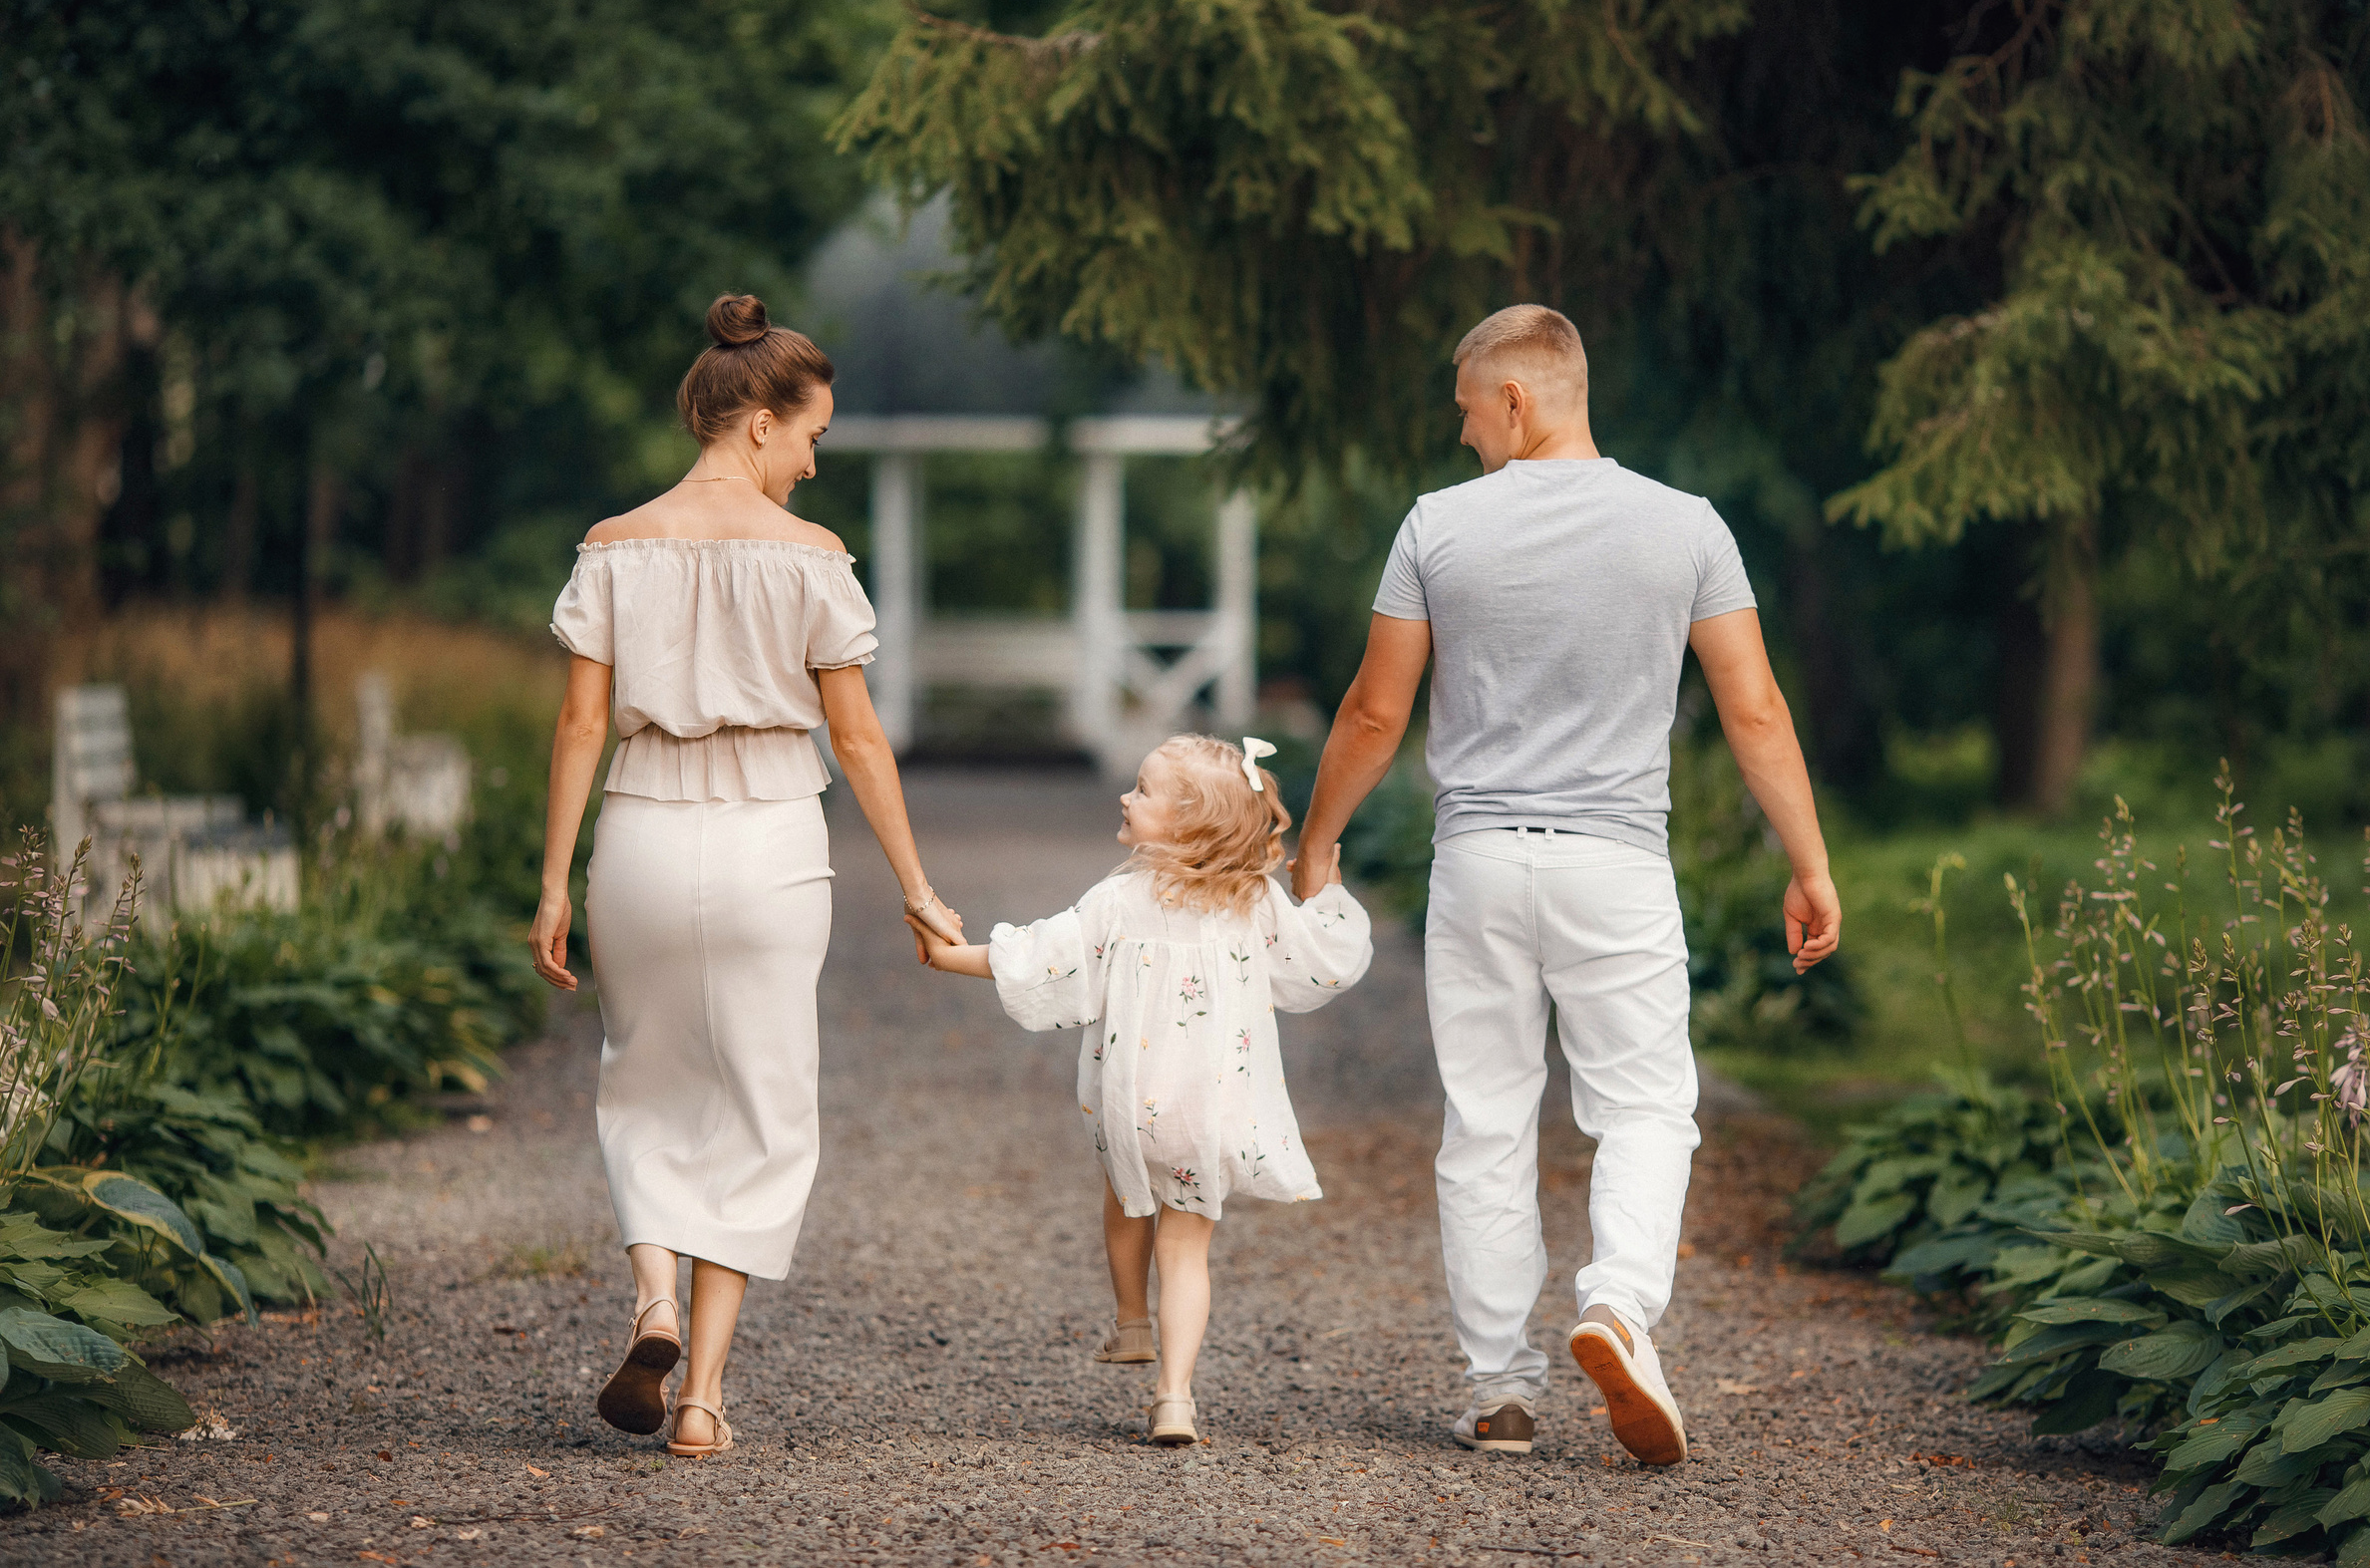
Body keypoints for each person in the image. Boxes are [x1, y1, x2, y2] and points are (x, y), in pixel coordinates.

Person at [1291, 304, 1843, 1467]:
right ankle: (1618, 1307)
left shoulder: (1437, 528)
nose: (1460, 439)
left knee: (1487, 1119)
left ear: (1516, 401)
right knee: (1645, 1106)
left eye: (1464, 414)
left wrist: (1318, 840)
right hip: (1616, 866)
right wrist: (1808, 862)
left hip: (1481, 863)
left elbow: (1374, 710)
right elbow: (1752, 707)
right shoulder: (1685, 526)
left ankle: (1500, 1393)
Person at [529, 293, 965, 1458]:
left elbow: (579, 726)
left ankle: (652, 1301)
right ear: (763, 422)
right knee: (765, 1109)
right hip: (772, 831)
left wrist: (555, 881)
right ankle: (706, 1400)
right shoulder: (813, 561)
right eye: (814, 436)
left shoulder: (614, 545)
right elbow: (859, 741)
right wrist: (916, 885)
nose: (815, 466)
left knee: (644, 1083)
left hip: (640, 830)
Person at [904, 735, 1372, 1446]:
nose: (1127, 795)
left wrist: (950, 957)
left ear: (1186, 820)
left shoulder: (1119, 899)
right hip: (1211, 1111)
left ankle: (1130, 1322)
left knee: (1127, 1195)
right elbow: (1322, 961)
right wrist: (1329, 890)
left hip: (1132, 1108)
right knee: (1186, 1248)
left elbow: (1042, 955)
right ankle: (1175, 1398)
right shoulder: (1256, 902)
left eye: (1145, 789)